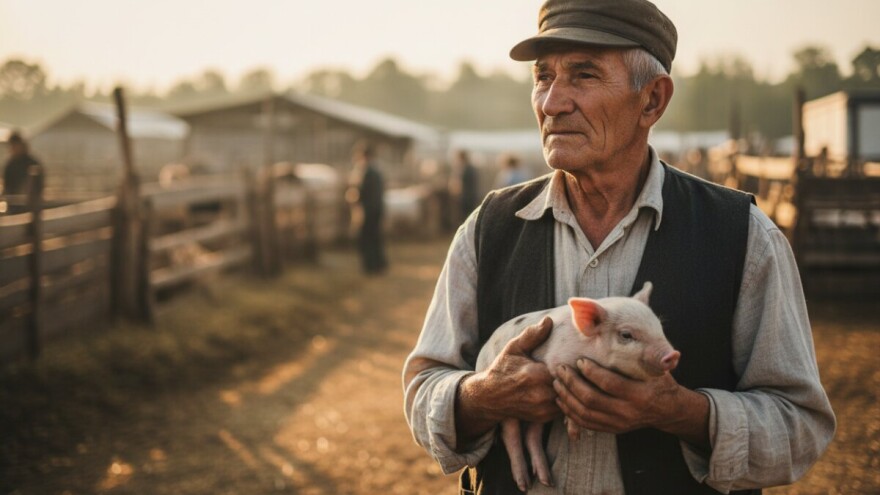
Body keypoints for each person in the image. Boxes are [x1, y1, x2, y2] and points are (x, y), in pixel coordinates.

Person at [402, 1, 835, 494]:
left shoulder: (744, 236)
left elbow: (800, 427)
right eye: (543, 77)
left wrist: (680, 412)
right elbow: (422, 391)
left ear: (652, 100)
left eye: (583, 75)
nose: (551, 103)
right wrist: (483, 396)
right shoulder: (489, 227)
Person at [350, 142, 388, 275]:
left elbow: (360, 192)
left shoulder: (366, 172)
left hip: (368, 210)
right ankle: (379, 264)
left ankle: (371, 265)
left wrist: (353, 195)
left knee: (366, 238)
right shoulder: (377, 171)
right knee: (376, 237)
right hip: (377, 209)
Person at [2, 132, 44, 213]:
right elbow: (7, 187)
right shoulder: (10, 165)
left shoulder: (32, 163)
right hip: (13, 206)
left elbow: (38, 185)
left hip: (31, 206)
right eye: (12, 146)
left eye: (15, 145)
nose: (13, 148)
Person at [454, 149, 480, 222]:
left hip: (465, 198)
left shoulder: (463, 169)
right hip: (472, 197)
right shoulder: (472, 168)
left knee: (465, 218)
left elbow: (458, 185)